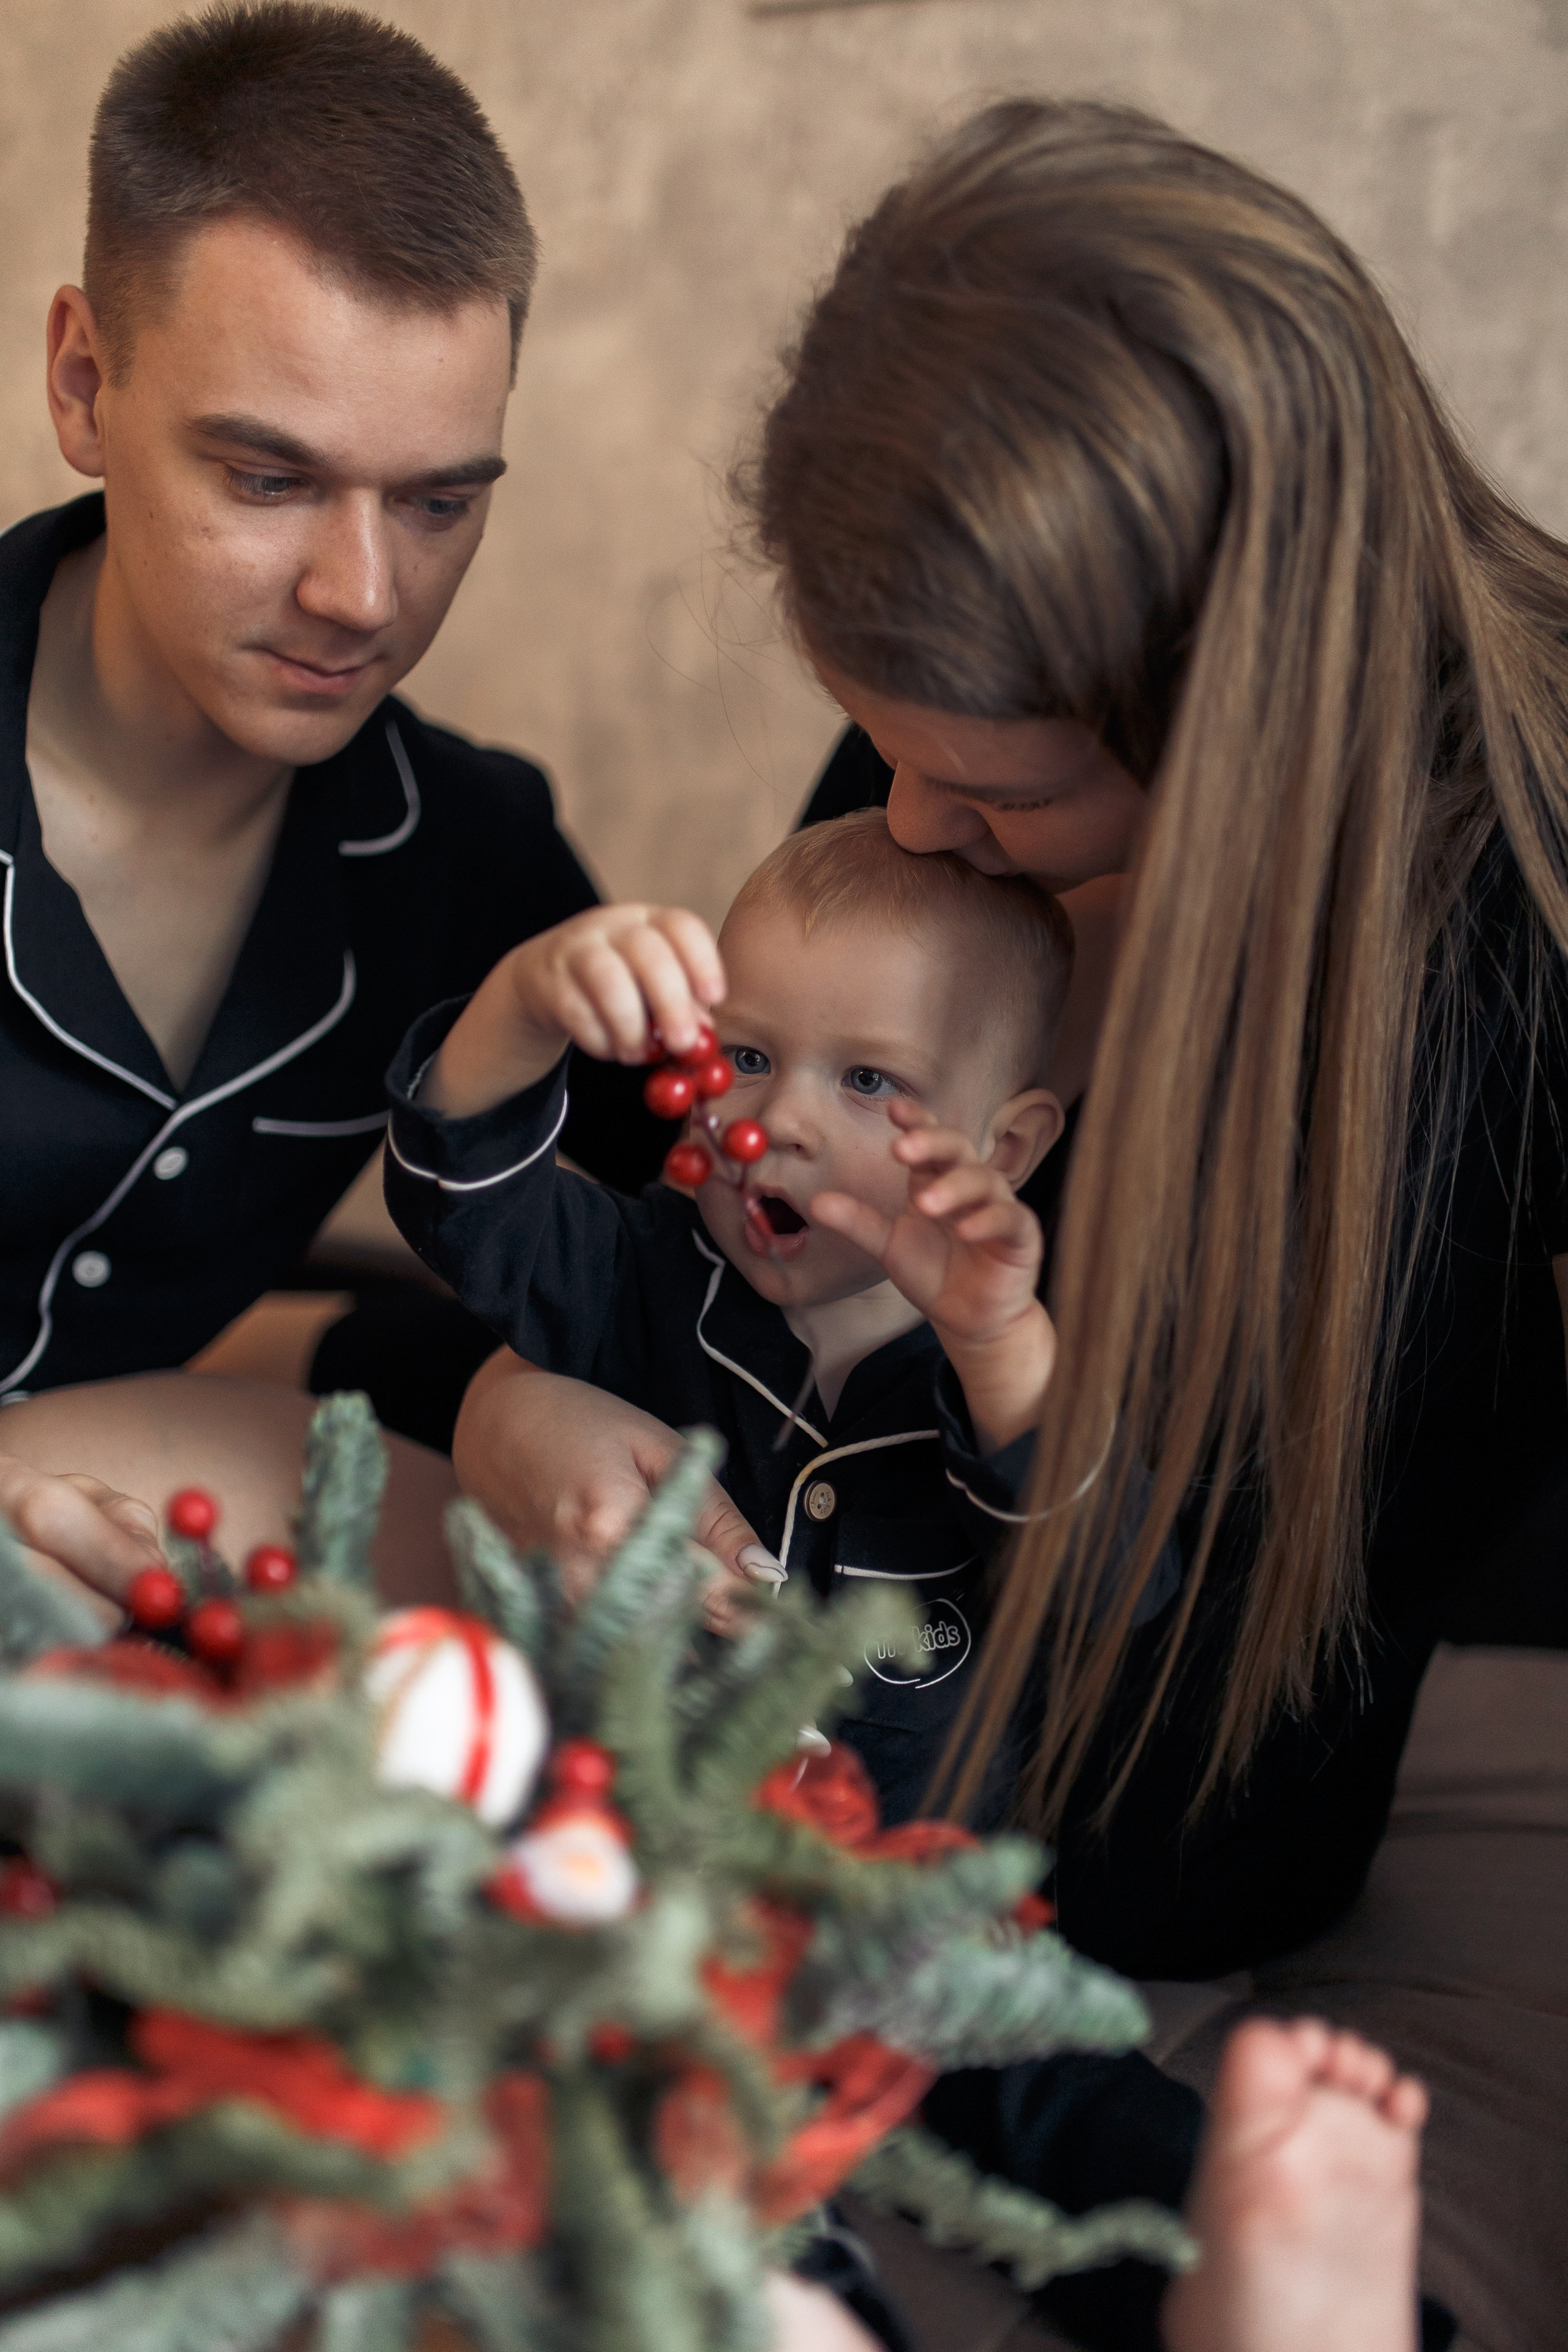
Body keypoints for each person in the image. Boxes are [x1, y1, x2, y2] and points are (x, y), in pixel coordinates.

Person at [448, 97, 1568, 2345]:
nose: (912, 821)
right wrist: (503, 1403)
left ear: (1238, 698)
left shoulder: (1505, 918)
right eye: (880, 747)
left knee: (972, 2066)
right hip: (837, 1650)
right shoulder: (936, 791)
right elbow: (680, 1264)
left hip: (1172, 1799)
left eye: (1013, 791)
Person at [0, 1, 666, 1607]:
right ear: (87, 385)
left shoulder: (469, 858)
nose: (362, 597)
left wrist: (507, 1403)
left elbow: (685, 1284)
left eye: (439, 502)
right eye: (268, 478)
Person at [385, 812, 1085, 1822]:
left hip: (899, 1904)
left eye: (869, 1080)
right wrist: (526, 1005)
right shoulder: (643, 1273)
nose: (774, 1123)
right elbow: (460, 1204)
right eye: (746, 1057)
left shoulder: (1016, 1364)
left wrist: (999, 1350)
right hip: (609, 1846)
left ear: (1007, 1148)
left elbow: (1114, 1589)